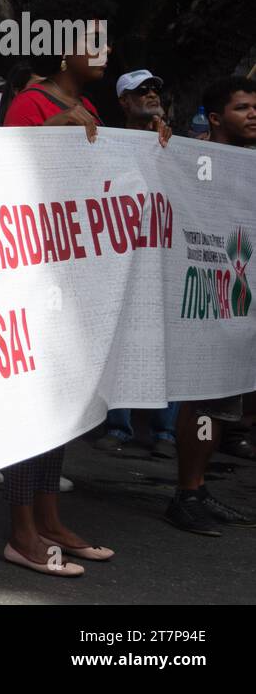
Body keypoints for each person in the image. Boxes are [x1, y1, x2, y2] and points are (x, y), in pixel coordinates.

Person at [0, 0, 116, 576]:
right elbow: (11, 189)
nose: (106, 49)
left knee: (62, 406)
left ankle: (49, 519)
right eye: (94, 39)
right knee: (32, 406)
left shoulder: (90, 110)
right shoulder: (31, 106)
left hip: (74, 281)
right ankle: (21, 531)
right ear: (65, 45)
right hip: (36, 282)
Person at [166, 76, 256, 535]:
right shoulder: (194, 160)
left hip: (241, 303)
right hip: (207, 301)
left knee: (224, 404)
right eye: (242, 108)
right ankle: (186, 494)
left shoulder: (249, 165)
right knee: (203, 401)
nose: (253, 114)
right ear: (217, 117)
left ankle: (198, 489)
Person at [95, 69, 178, 458]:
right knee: (122, 337)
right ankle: (119, 425)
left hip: (166, 258)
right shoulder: (107, 143)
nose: (149, 94)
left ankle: (166, 431)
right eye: (139, 91)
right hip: (125, 258)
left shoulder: (178, 146)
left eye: (154, 89)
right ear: (123, 102)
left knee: (169, 341)